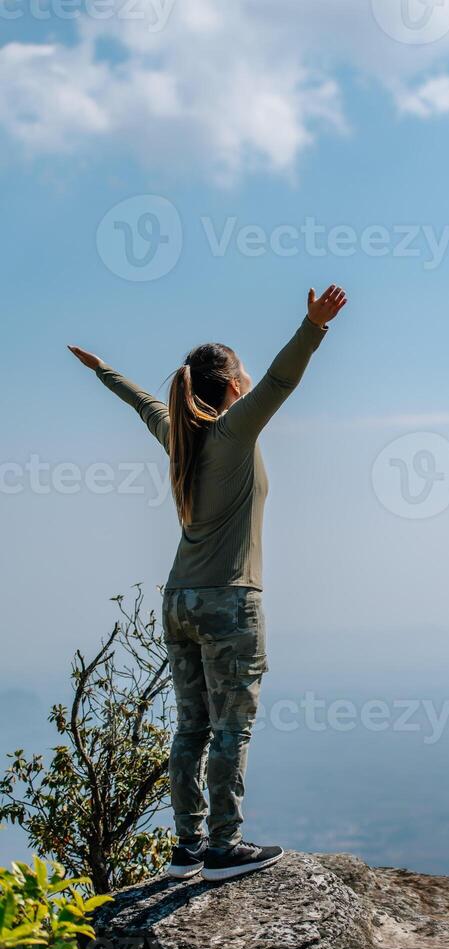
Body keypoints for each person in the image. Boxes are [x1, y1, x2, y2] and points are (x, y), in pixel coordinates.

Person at [68, 284, 348, 881]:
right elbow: (281, 381)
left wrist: (103, 370)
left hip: (179, 600)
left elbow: (141, 400)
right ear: (232, 387)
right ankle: (223, 846)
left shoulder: (178, 436)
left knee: (191, 725)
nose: (249, 378)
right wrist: (312, 328)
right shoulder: (230, 433)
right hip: (228, 600)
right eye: (240, 372)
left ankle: (186, 847)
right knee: (231, 726)